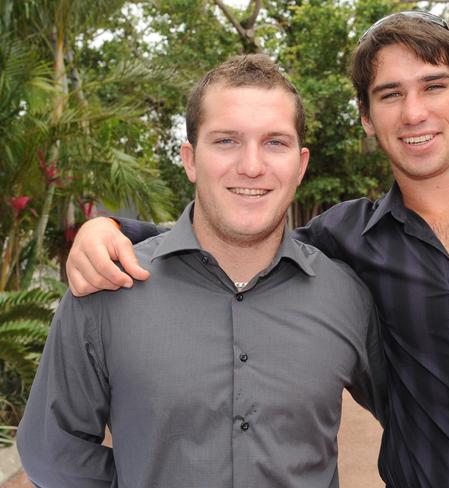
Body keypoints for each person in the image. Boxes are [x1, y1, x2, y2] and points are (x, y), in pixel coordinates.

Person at [64, 11, 449, 488]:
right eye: (390, 95)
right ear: (368, 119)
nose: (414, 112)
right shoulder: (348, 238)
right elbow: (236, 230)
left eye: (433, 86)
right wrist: (109, 227)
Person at [17, 54, 386, 488]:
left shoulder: (347, 296)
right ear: (190, 159)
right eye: (226, 140)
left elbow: (422, 421)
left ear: (300, 165)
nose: (252, 165)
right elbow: (51, 452)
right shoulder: (107, 287)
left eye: (275, 142)